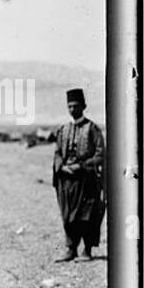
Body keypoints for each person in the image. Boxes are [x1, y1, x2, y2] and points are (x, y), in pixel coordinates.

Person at [52, 88, 106, 262]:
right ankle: (71, 248)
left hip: (86, 179)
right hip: (67, 181)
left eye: (75, 106)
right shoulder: (63, 130)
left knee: (87, 215)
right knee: (68, 215)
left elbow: (100, 154)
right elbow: (58, 152)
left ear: (83, 106)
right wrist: (63, 168)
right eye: (69, 106)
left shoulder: (93, 129)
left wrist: (81, 166)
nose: (72, 110)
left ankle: (87, 250)